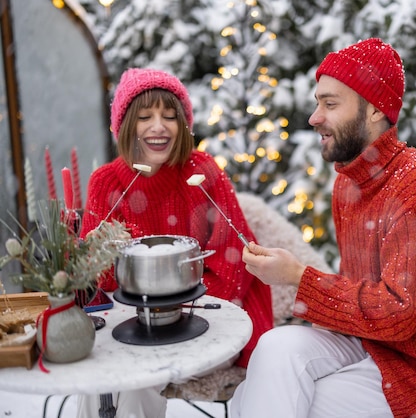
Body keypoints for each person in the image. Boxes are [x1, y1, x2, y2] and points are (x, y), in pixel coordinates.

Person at [233, 38, 416, 418]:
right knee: (271, 354)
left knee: (285, 402)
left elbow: (399, 312)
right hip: (373, 345)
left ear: (374, 110)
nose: (314, 117)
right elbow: (361, 289)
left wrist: (298, 276)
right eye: (317, 101)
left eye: (330, 104)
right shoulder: (349, 184)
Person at [77, 68, 273, 417]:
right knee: (98, 381)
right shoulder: (106, 183)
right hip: (133, 326)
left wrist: (175, 311)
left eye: (170, 116)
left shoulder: (202, 172)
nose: (159, 127)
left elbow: (234, 266)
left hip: (209, 320)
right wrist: (94, 257)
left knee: (139, 378)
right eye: (145, 117)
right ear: (125, 126)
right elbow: (98, 286)